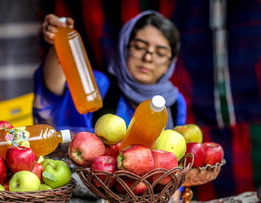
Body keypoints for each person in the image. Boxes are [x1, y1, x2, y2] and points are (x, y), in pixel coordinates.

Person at [33, 10, 186, 130]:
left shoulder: (175, 102)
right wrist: (59, 42)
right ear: (124, 48)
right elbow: (53, 87)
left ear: (170, 62)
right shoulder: (100, 85)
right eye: (140, 47)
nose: (148, 58)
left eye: (160, 53)